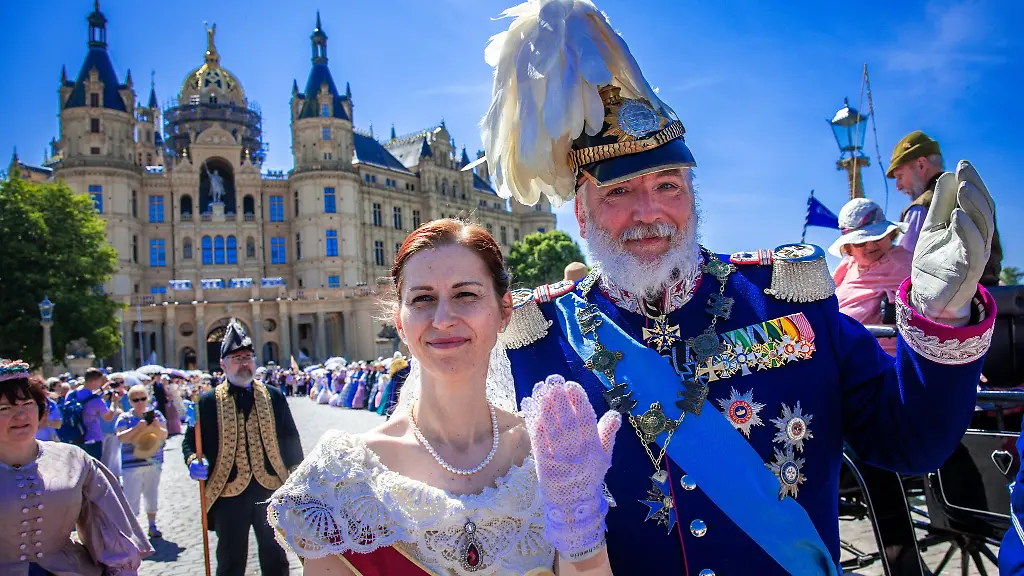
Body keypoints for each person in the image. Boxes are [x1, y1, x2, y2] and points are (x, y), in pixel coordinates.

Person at [475, 1, 998, 573]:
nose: (650, 212)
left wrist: (942, 318)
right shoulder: (538, 341)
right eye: (619, 192)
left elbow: (911, 442)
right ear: (581, 212)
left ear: (693, 195)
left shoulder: (786, 295)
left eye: (668, 184)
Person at [267, 219, 617, 575]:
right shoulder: (341, 481)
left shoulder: (551, 457)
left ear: (504, 311)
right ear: (401, 324)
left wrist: (580, 526)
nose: (444, 318)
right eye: (423, 299)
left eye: (466, 294)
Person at [0, 359, 153, 575]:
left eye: (27, 404)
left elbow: (105, 524)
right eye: (5, 408)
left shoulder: (74, 459)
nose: (21, 416)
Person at [182, 319, 303, 576]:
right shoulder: (207, 402)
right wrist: (194, 460)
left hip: (270, 489)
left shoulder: (274, 395)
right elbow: (190, 442)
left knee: (275, 556)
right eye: (236, 358)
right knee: (230, 559)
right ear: (224, 364)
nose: (244, 363)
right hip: (227, 493)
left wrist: (297, 477)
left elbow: (290, 437)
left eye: (247, 357)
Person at [887, 130, 1002, 285]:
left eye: (900, 176)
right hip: (987, 294)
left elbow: (902, 266)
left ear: (921, 164)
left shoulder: (922, 206)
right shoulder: (973, 192)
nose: (898, 187)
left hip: (945, 302)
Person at [829, 198, 913, 356]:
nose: (871, 245)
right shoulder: (847, 264)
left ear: (890, 235)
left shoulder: (902, 263)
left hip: (879, 359)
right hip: (838, 351)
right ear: (849, 248)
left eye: (877, 237)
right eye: (860, 243)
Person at [116, 384, 168, 539]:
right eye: (135, 399)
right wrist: (137, 429)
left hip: (153, 462)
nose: (140, 402)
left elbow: (165, 434)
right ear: (130, 401)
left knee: (151, 494)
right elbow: (121, 437)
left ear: (148, 398)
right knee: (131, 497)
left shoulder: (156, 414)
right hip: (132, 465)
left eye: (143, 398)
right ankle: (133, 530)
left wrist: (157, 427)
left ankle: (152, 525)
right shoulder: (124, 417)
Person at [61, 367, 118, 461]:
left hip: (74, 436)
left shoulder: (71, 394)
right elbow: (108, 417)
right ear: (94, 381)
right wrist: (114, 403)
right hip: (92, 438)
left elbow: (87, 397)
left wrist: (102, 389)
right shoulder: (97, 401)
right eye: (100, 381)